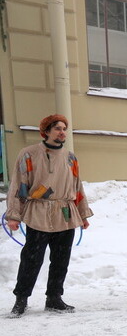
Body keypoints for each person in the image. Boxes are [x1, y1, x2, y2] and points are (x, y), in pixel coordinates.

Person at [6, 114, 93, 318]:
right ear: (46, 131)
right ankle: (21, 299)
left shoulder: (71, 157)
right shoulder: (28, 154)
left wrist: (83, 214)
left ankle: (54, 298)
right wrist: (14, 215)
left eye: (64, 128)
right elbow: (18, 185)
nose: (62, 132)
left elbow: (77, 186)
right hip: (38, 212)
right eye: (57, 128)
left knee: (61, 259)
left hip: (65, 213)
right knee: (31, 258)